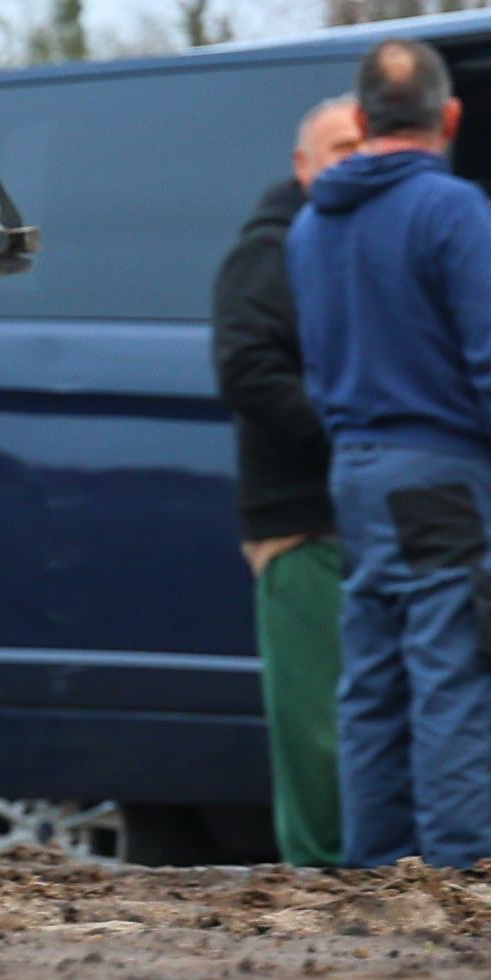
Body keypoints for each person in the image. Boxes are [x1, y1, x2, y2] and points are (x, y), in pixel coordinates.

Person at [287, 37, 491, 868]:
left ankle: (377, 884)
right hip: (447, 474)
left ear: (361, 120)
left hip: (358, 471)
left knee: (373, 686)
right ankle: (459, 883)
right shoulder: (453, 210)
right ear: (451, 117)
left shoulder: (310, 225)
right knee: (458, 681)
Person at [213, 92, 369, 866]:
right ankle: (322, 886)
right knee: (319, 731)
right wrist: (351, 437)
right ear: (303, 167)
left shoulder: (361, 241)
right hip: (304, 521)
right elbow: (244, 366)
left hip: (373, 516)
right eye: (339, 148)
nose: (356, 160)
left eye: (365, 146)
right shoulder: (270, 252)